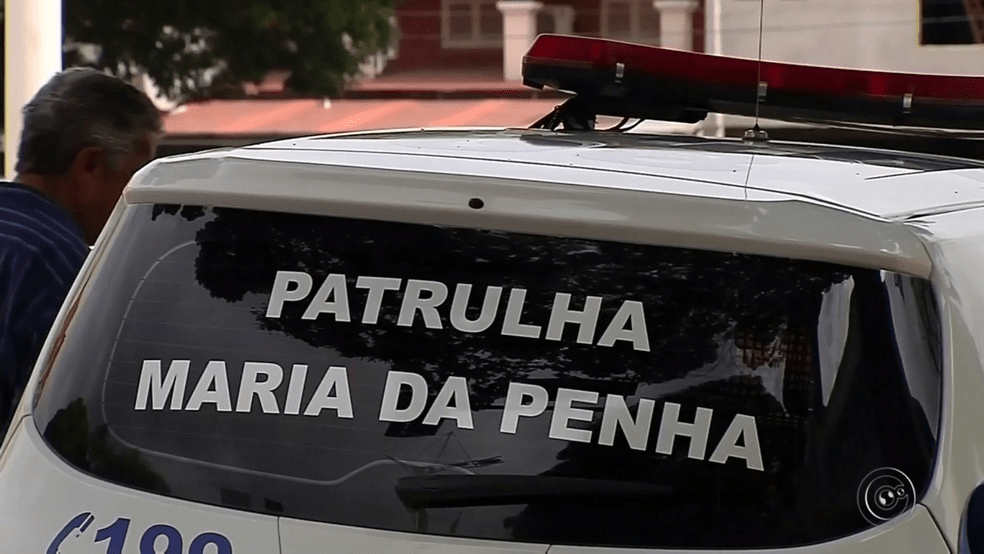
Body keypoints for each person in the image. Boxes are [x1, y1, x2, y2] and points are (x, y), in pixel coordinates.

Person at [0, 67, 162, 434]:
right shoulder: (56, 266)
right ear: (90, 164)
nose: (142, 198)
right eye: (138, 175)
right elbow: (56, 428)